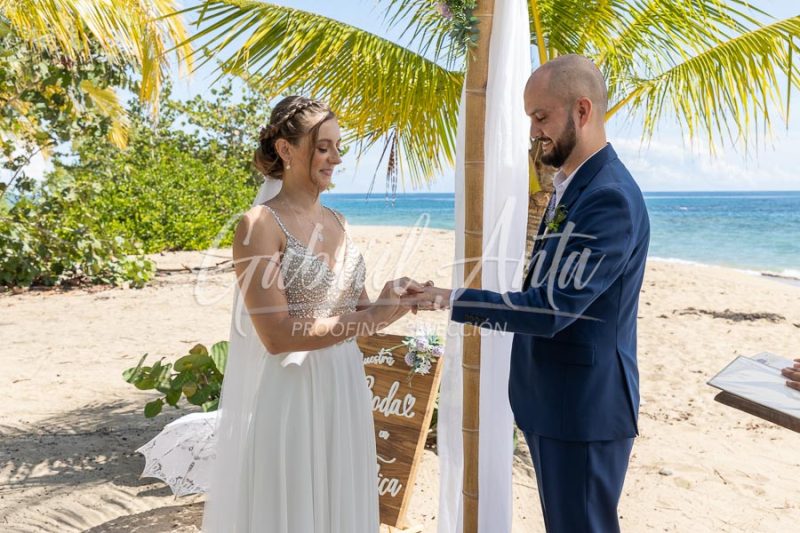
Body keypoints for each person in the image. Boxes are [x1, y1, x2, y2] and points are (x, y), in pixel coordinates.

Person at [414, 55, 651, 532]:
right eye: (530, 119)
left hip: (583, 409)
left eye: (541, 117)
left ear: (581, 111)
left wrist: (447, 298)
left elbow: (550, 309)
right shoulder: (573, 186)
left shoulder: (609, 197)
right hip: (553, 400)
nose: (533, 132)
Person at [201, 95, 424, 533]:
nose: (336, 159)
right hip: (294, 392)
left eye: (339, 148)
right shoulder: (258, 226)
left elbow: (356, 310)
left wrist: (396, 299)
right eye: (324, 147)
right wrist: (375, 316)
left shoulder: (338, 221)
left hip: (345, 386)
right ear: (286, 150)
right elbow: (278, 336)